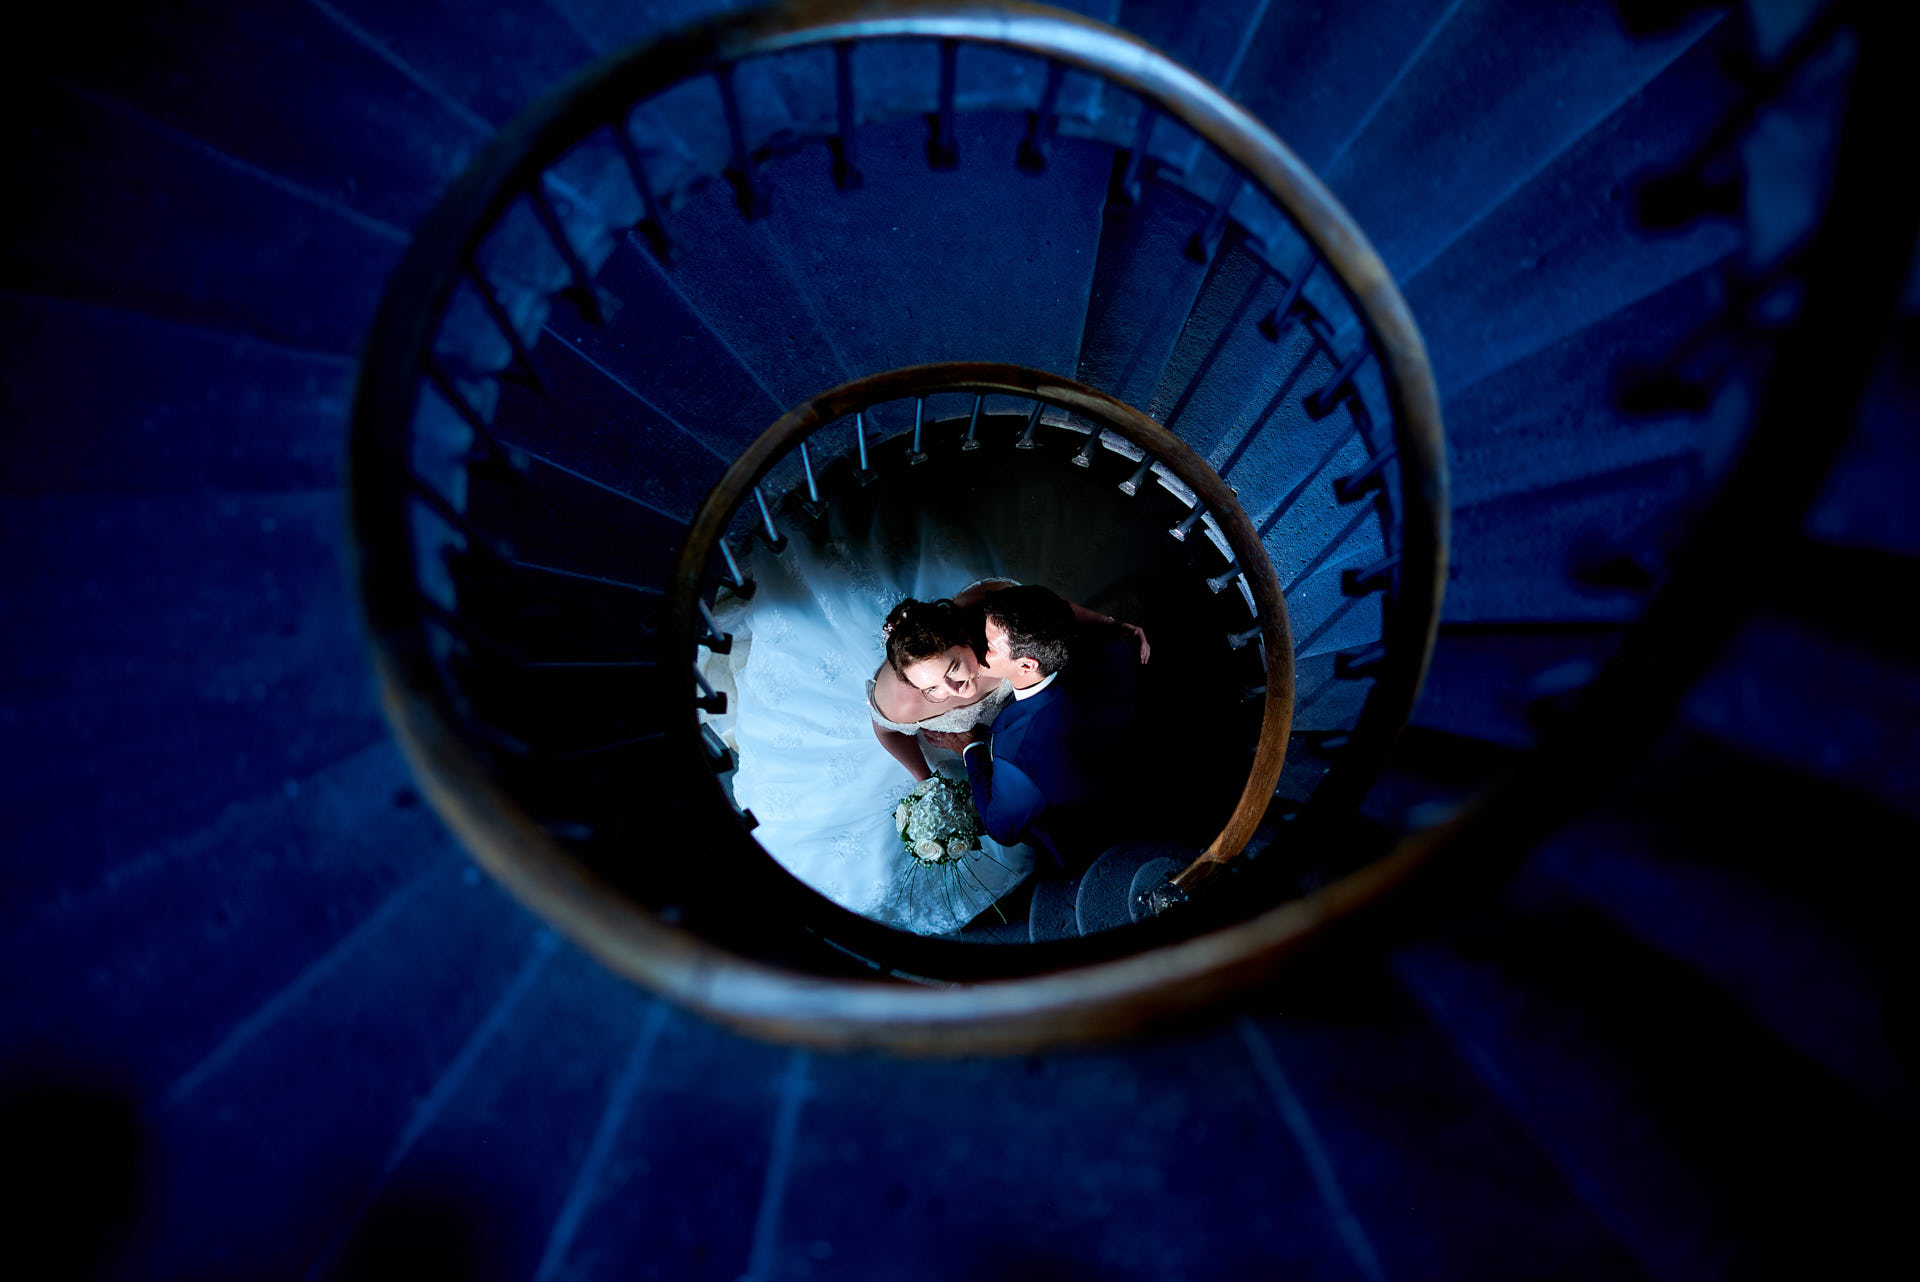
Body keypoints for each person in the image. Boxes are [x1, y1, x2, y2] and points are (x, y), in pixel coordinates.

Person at [923, 584, 1142, 876]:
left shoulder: (1015, 755)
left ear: (1026, 665)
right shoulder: (1114, 646)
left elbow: (1001, 830)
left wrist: (971, 748)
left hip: (1095, 831)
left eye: (988, 646)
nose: (975, 647)